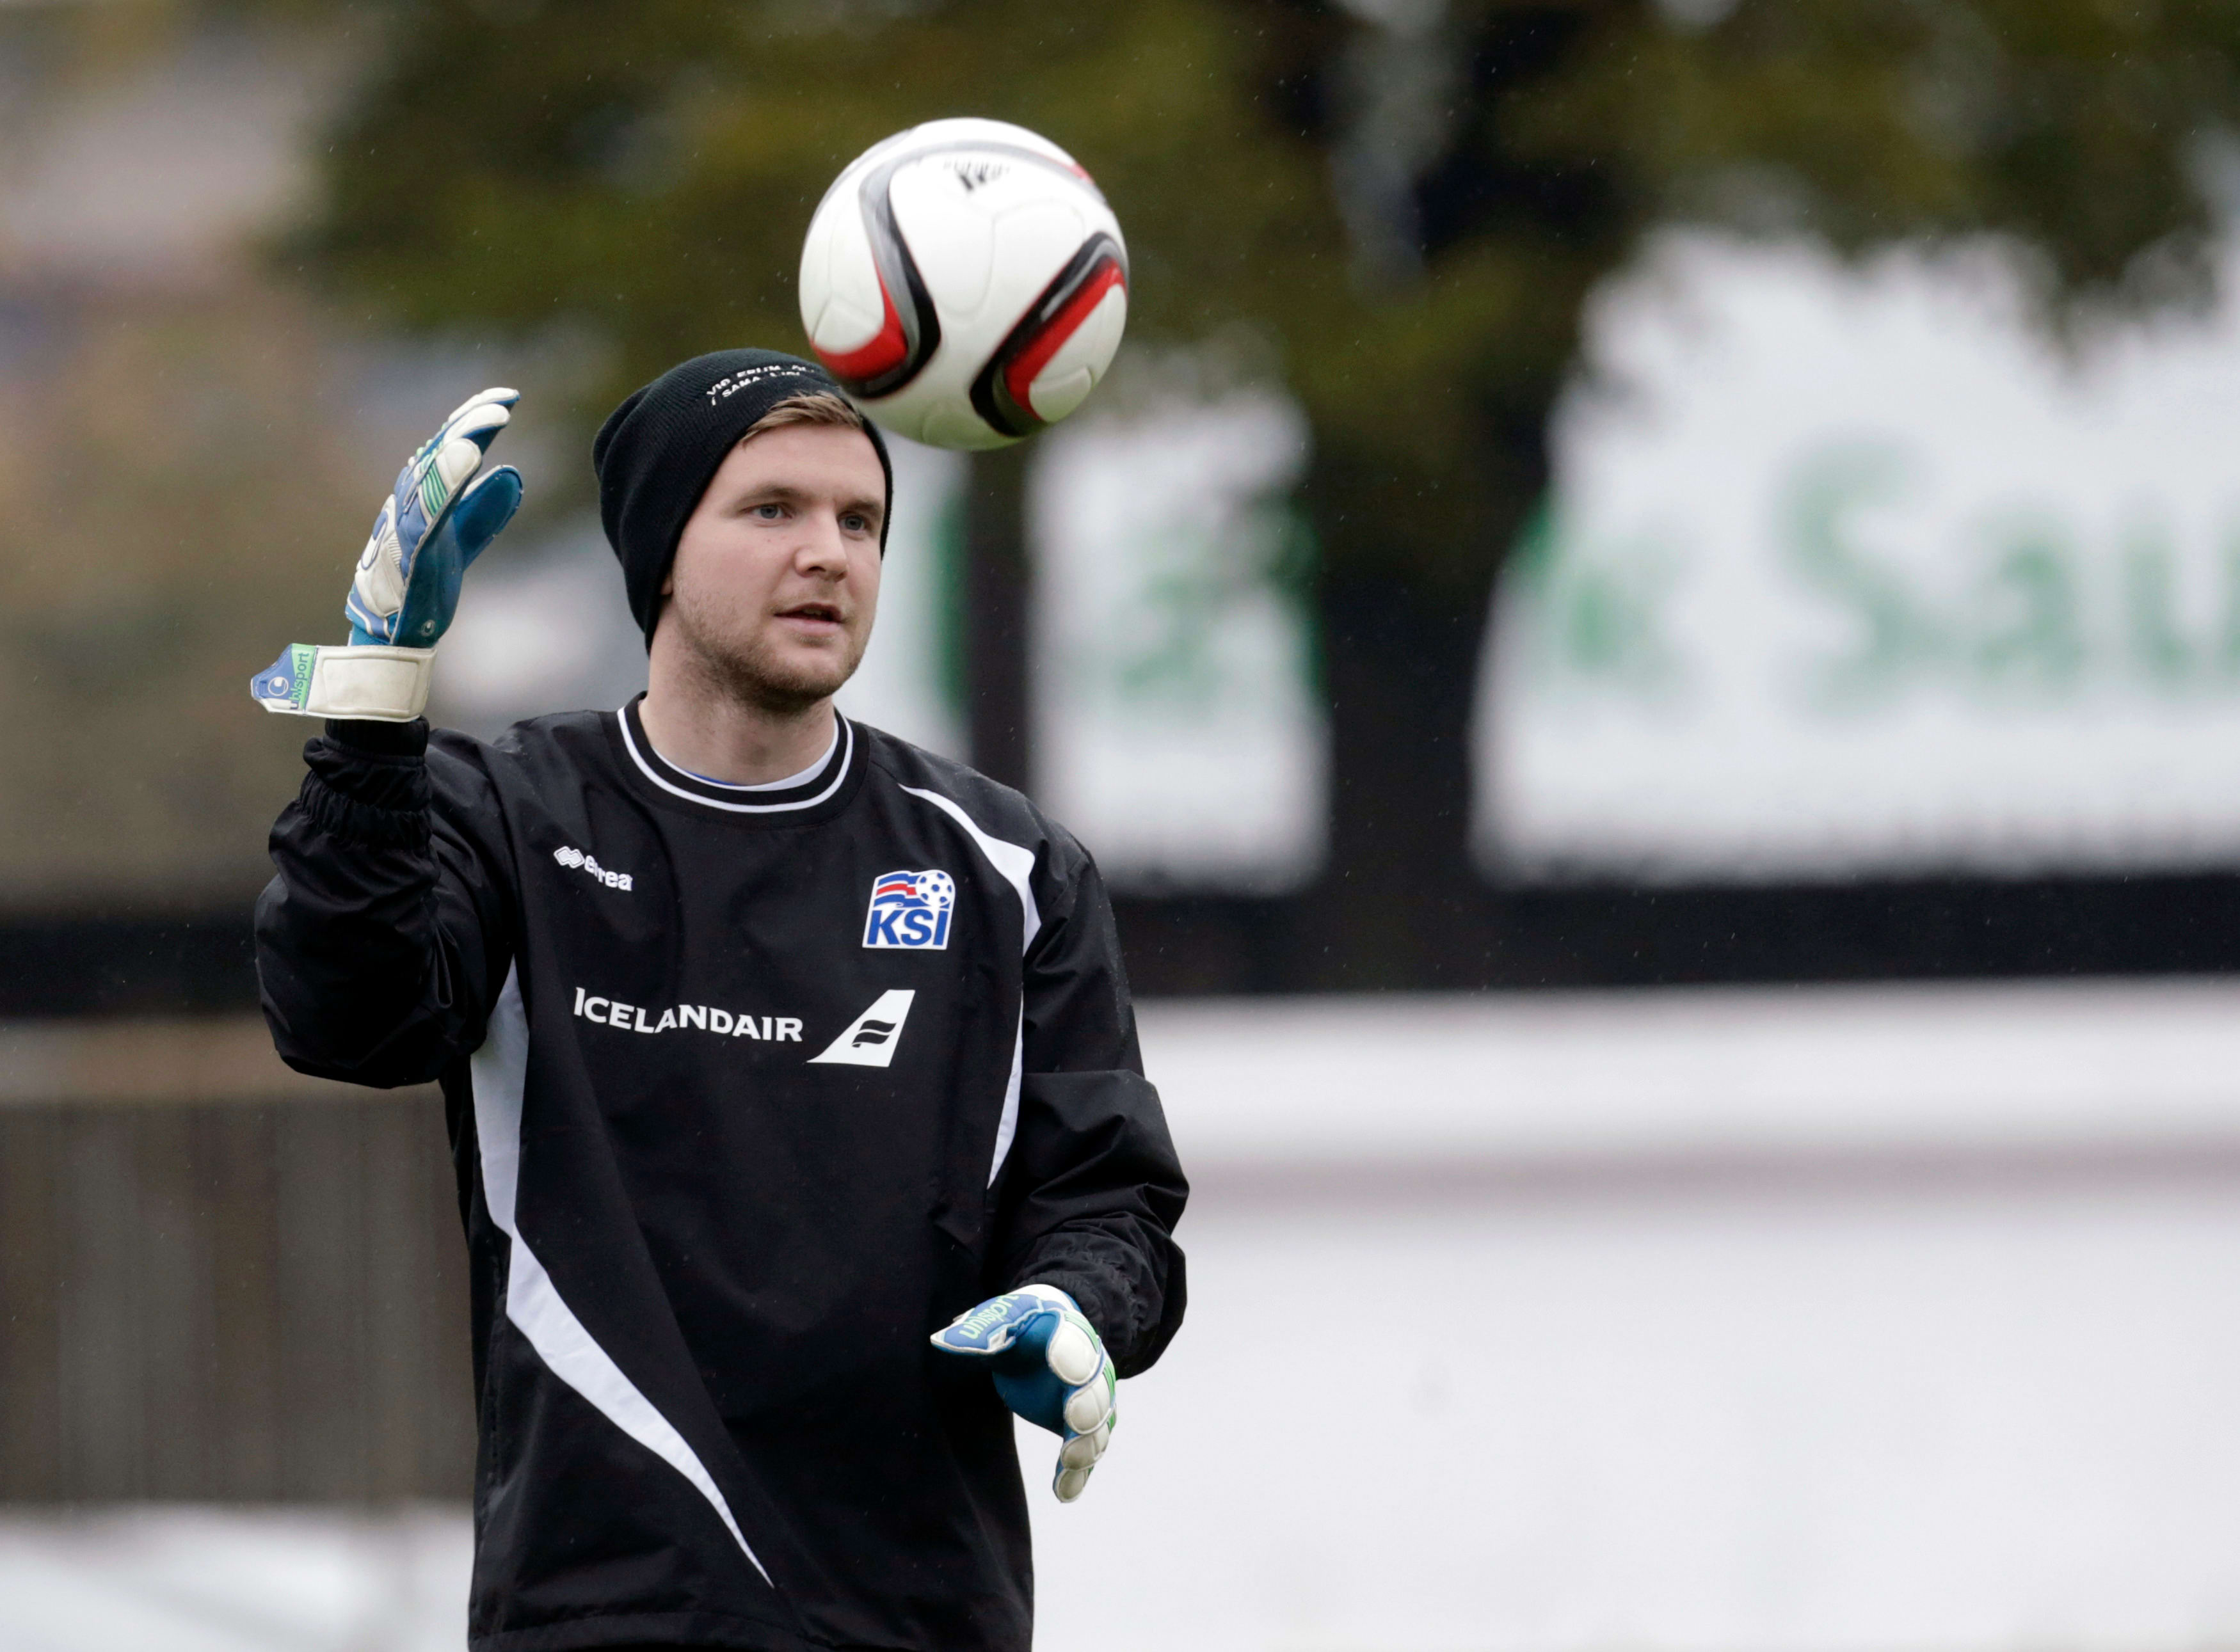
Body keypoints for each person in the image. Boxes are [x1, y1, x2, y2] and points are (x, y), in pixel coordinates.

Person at [250, 349, 1188, 1652]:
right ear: (660, 554)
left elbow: (1107, 1194)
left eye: (859, 520)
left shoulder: (1009, 867)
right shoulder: (506, 816)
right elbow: (348, 1019)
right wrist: (372, 707)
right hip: (604, 1608)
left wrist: (1077, 1301)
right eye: (771, 509)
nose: (828, 554)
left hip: (915, 1615)